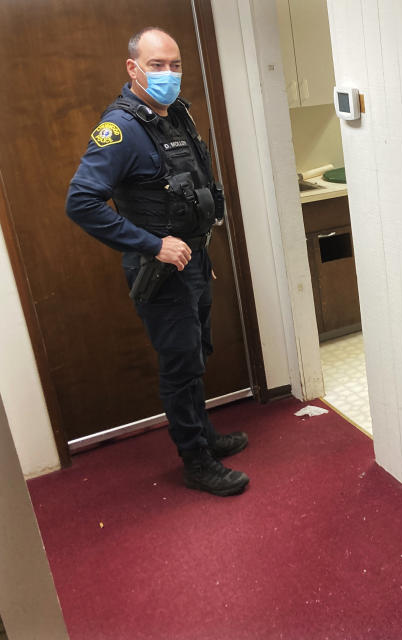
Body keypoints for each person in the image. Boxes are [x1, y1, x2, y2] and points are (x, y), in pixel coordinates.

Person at [66, 27, 250, 497]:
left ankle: (204, 437)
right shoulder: (121, 128)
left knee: (194, 354)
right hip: (161, 269)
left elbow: (188, 187)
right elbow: (81, 202)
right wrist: (153, 244)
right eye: (156, 65)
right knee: (179, 364)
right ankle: (195, 460)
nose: (169, 74)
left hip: (193, 257)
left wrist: (198, 248)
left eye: (175, 65)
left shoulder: (176, 114)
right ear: (133, 69)